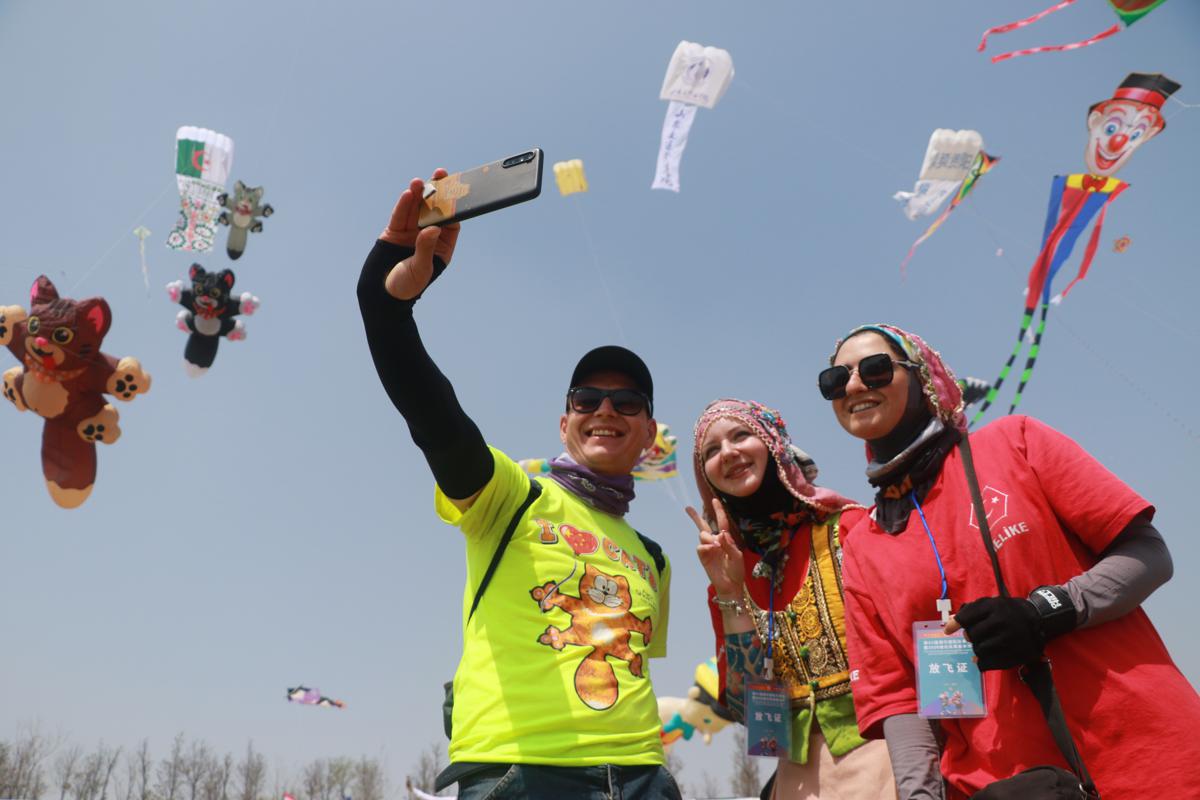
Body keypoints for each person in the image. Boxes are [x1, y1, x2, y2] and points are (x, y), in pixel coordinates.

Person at [357, 171, 679, 800]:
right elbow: (435, 417)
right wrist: (385, 303)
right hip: (522, 772)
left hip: (645, 777)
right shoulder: (514, 496)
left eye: (627, 402)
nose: (605, 410)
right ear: (565, 423)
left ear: (649, 434)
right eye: (586, 398)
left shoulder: (655, 559)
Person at [820, 323, 1200, 798]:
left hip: (1148, 759)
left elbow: (1149, 553)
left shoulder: (1016, 441)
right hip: (1005, 785)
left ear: (923, 378)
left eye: (876, 369)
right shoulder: (861, 543)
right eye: (835, 380)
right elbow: (899, 701)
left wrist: (1046, 611)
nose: (854, 386)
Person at [687, 398, 897, 799]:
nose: (727, 453)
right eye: (711, 451)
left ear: (774, 444)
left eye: (741, 435)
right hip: (795, 780)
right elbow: (746, 710)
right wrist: (730, 593)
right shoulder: (728, 573)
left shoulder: (850, 530)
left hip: (886, 762)